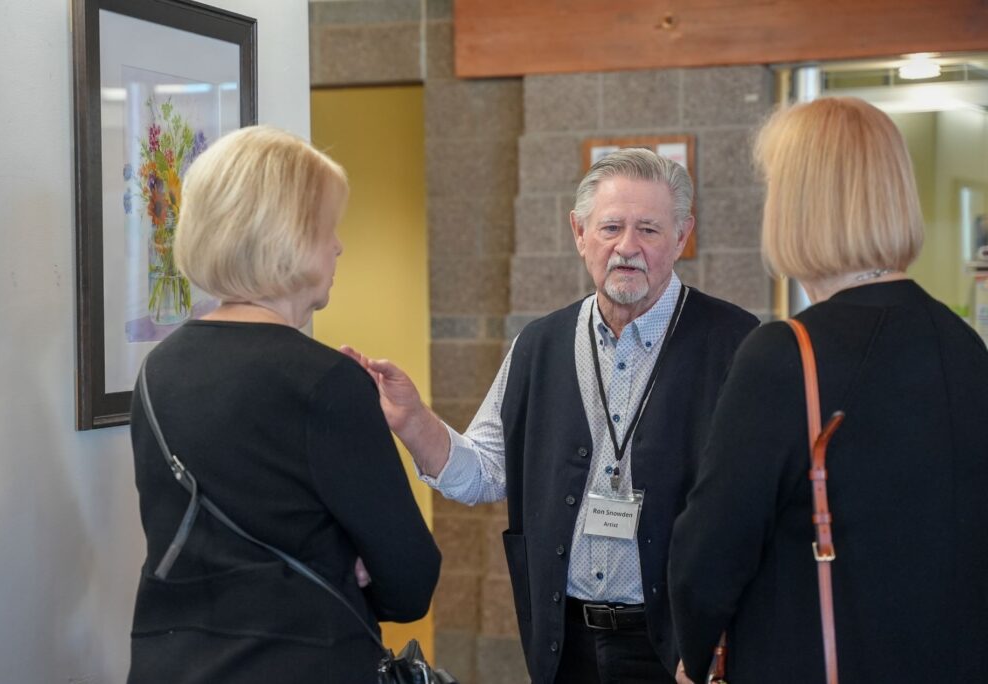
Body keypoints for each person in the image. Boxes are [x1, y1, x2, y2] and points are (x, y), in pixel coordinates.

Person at [344, 148, 758, 684]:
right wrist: (411, 419)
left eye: (649, 230)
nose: (626, 248)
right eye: (610, 227)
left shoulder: (736, 344)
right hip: (564, 644)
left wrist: (716, 638)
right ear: (579, 232)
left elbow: (753, 514)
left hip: (679, 649)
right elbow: (483, 472)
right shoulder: (540, 344)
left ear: (682, 237)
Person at [668, 97, 988, 683]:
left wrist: (693, 656)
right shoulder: (965, 345)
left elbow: (709, 556)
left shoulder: (786, 353)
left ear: (798, 205)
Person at [126, 125, 441, 683]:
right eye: (328, 228)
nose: (339, 245)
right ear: (287, 236)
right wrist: (350, 562)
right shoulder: (327, 382)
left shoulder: (160, 369)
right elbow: (411, 581)